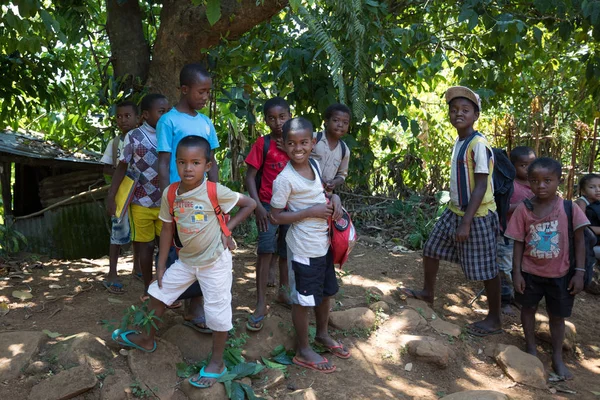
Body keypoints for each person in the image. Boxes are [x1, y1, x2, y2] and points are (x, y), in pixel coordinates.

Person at [112, 135, 256, 388]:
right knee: (159, 292)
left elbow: (250, 203)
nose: (189, 168)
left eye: (196, 162)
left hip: (215, 262)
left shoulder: (213, 190)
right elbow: (167, 229)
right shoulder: (171, 193)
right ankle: (147, 339)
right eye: (182, 162)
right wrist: (162, 264)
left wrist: (227, 230)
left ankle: (217, 362)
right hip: (187, 260)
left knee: (217, 311)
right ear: (175, 165)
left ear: (207, 166)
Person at [398, 86, 502, 337]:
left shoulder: (478, 144)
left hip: (476, 215)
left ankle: (495, 318)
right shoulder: (459, 140)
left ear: (476, 115)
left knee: (487, 268)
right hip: (454, 211)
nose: (459, 114)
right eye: (454, 110)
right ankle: (427, 292)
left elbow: (479, 187)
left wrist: (466, 222)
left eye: (465, 110)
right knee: (431, 249)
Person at [270, 117, 350, 374]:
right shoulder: (284, 179)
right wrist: (309, 212)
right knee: (303, 300)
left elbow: (322, 194)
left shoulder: (315, 165)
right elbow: (275, 216)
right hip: (303, 247)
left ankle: (322, 335)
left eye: (304, 142)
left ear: (313, 143)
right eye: (291, 143)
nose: (298, 148)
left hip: (322, 243)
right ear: (283, 144)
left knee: (326, 292)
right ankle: (303, 350)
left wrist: (334, 198)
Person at [505, 157, 588, 380]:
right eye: (534, 181)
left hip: (561, 274)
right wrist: (517, 272)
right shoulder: (524, 209)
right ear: (528, 182)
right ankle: (531, 348)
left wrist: (579, 273)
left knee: (557, 316)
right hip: (530, 272)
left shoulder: (569, 208)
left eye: (547, 180)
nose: (540, 186)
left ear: (558, 181)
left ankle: (557, 358)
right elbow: (518, 241)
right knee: (528, 308)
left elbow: (580, 241)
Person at [156, 63, 220, 331]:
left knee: (203, 250)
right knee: (177, 249)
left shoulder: (206, 122)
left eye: (208, 92)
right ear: (184, 89)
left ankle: (195, 310)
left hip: (203, 200)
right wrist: (167, 198)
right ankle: (171, 299)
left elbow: (213, 161)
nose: (205, 97)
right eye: (201, 91)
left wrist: (215, 195)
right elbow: (163, 162)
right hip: (179, 198)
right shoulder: (168, 121)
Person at [107, 94, 170, 301]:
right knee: (146, 246)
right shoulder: (133, 137)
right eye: (161, 112)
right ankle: (147, 288)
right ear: (145, 115)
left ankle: (165, 287)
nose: (166, 116)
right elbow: (122, 167)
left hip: (165, 202)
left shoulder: (170, 134)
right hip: (140, 202)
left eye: (167, 111)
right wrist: (112, 195)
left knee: (166, 246)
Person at [244, 97, 292, 331]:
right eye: (272, 118)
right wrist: (257, 206)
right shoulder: (262, 143)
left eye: (282, 117)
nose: (278, 122)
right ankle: (261, 302)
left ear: (290, 116)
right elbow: (250, 177)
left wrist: (290, 150)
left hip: (292, 208)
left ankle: (284, 293)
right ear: (265, 120)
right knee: (265, 251)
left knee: (286, 252)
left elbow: (308, 169)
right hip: (267, 205)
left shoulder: (296, 142)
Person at [101, 100, 139, 294]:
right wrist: (117, 171)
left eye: (127, 116)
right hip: (122, 192)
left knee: (140, 232)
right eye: (119, 116)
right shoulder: (115, 143)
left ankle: (138, 268)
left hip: (141, 194)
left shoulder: (143, 139)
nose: (123, 120)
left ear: (138, 118)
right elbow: (106, 166)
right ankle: (112, 273)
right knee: (118, 230)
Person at [497, 146, 536, 315]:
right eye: (523, 165)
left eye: (532, 164)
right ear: (512, 166)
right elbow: (500, 208)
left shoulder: (537, 185)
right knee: (504, 267)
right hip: (506, 233)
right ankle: (504, 299)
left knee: (522, 266)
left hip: (528, 235)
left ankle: (520, 297)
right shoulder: (509, 185)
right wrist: (519, 206)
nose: (528, 169)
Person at [311, 103, 351, 192]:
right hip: (304, 189)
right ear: (326, 121)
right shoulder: (313, 138)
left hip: (324, 195)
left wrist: (334, 182)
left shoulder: (344, 150)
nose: (340, 125)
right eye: (336, 120)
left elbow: (342, 175)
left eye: (345, 122)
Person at [574, 173, 600, 259]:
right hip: (586, 238)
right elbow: (582, 225)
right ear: (583, 191)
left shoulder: (596, 202)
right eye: (592, 187)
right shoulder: (582, 202)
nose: (598, 190)